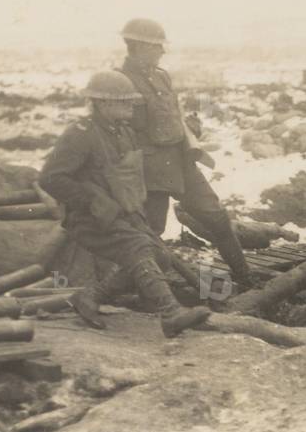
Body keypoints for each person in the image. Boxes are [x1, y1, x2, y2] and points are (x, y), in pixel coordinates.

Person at [39, 71, 211, 337]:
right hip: (90, 219)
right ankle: (171, 314)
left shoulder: (124, 132)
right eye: (124, 101)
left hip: (124, 214)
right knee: (138, 248)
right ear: (103, 103)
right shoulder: (80, 134)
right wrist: (92, 201)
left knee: (161, 257)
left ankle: (90, 297)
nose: (132, 105)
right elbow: (50, 178)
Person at [117, 18, 255, 286]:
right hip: (149, 171)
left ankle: (245, 277)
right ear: (140, 46)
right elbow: (119, 132)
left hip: (180, 162)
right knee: (150, 233)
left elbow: (171, 117)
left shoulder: (161, 76)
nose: (162, 51)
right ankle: (146, 289)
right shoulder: (121, 81)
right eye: (157, 46)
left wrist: (188, 129)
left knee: (217, 217)